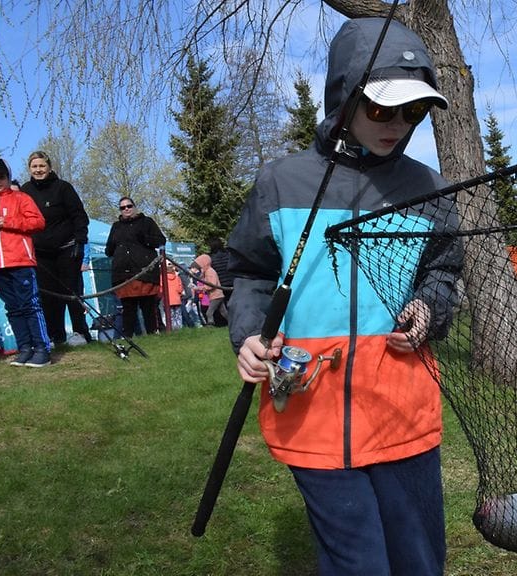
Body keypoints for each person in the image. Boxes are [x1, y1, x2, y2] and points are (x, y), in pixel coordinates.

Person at [229, 18, 462, 576]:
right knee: (357, 564)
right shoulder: (280, 181)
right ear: (344, 95)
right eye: (382, 108)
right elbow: (249, 273)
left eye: (414, 112)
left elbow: (444, 270)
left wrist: (429, 308)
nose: (398, 125)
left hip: (402, 412)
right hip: (309, 411)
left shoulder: (429, 187)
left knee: (419, 561)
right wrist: (248, 335)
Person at [0, 158, 51, 367]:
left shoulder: (21, 198)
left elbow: (38, 222)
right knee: (13, 308)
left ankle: (42, 349)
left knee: (30, 306)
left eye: (0, 177)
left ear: (8, 177)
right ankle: (24, 349)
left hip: (21, 261)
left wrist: (7, 222)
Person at [20, 150, 92, 346]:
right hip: (41, 254)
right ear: (29, 169)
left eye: (42, 166)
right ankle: (55, 335)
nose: (38, 170)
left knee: (72, 291)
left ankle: (80, 332)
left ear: (49, 167)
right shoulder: (25, 191)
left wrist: (80, 241)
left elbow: (79, 216)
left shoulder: (63, 188)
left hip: (67, 249)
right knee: (48, 296)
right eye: (34, 166)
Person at [105, 196, 166, 337]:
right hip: (123, 274)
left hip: (144, 272)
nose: (126, 209)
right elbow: (109, 249)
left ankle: (153, 334)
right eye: (122, 207)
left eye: (129, 206)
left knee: (148, 307)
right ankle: (128, 338)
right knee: (128, 309)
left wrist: (145, 238)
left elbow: (161, 240)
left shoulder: (147, 222)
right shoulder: (116, 226)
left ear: (134, 206)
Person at [192, 254, 225, 327]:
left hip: (216, 295)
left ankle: (210, 325)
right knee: (224, 312)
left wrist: (199, 288)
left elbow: (211, 285)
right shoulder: (206, 271)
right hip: (217, 295)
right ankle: (233, 323)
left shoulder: (210, 272)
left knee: (209, 312)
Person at [207, 238, 233, 325]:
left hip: (220, 285)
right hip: (231, 282)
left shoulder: (211, 258)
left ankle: (221, 322)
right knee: (231, 303)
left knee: (221, 305)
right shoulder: (228, 255)